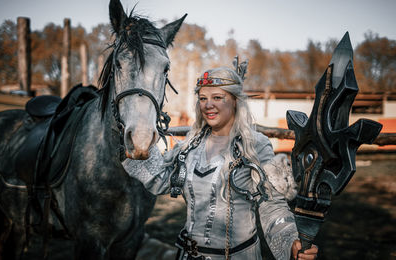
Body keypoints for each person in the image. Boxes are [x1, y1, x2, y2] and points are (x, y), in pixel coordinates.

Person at [123, 58, 318, 260]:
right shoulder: (190, 144)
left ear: (235, 101)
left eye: (217, 97)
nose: (208, 105)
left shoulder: (255, 146)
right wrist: (129, 140)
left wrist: (289, 242)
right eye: (202, 98)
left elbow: (271, 206)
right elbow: (162, 180)